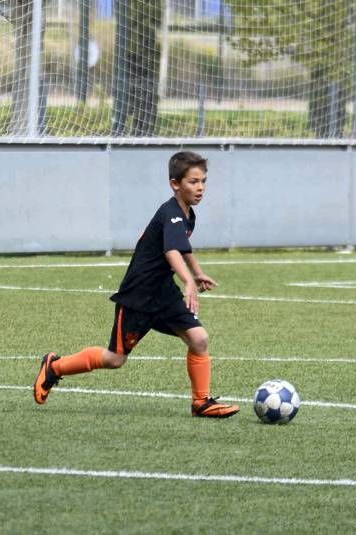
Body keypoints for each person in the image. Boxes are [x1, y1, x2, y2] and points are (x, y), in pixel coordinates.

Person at [34, 150, 240, 418]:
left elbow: (183, 247)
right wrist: (188, 281)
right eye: (193, 182)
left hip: (163, 293)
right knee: (115, 359)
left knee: (199, 339)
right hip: (139, 295)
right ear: (175, 184)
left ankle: (201, 402)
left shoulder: (186, 214)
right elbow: (171, 251)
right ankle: (55, 367)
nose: (200, 188)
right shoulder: (171, 213)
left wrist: (197, 273)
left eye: (203, 181)